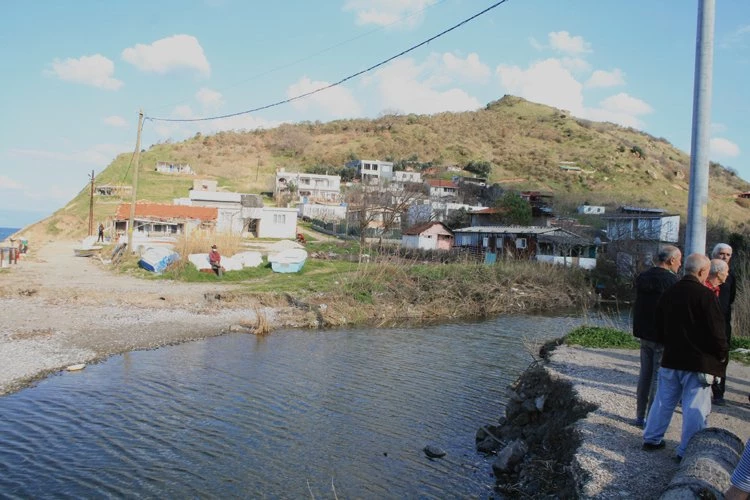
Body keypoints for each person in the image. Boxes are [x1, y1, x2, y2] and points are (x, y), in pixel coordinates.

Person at [642, 253, 728, 460]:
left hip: (671, 358)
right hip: (698, 362)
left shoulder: (669, 292)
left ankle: (651, 439)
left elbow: (658, 326)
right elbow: (717, 332)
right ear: (702, 271)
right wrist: (722, 354)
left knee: (663, 401)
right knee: (693, 407)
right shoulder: (706, 296)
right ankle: (686, 450)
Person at [631, 245, 682, 427]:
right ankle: (651, 418)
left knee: (644, 374)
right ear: (671, 260)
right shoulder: (673, 282)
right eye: (679, 260)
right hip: (661, 336)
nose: (680, 264)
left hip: (644, 333)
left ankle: (639, 415)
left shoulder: (643, 276)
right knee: (656, 378)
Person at [711, 243, 736, 405]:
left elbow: (731, 298)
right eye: (721, 254)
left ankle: (719, 393)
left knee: (722, 357)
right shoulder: (707, 272)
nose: (724, 257)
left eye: (727, 255)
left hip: (723, 323)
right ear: (714, 255)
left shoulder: (731, 276)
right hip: (707, 323)